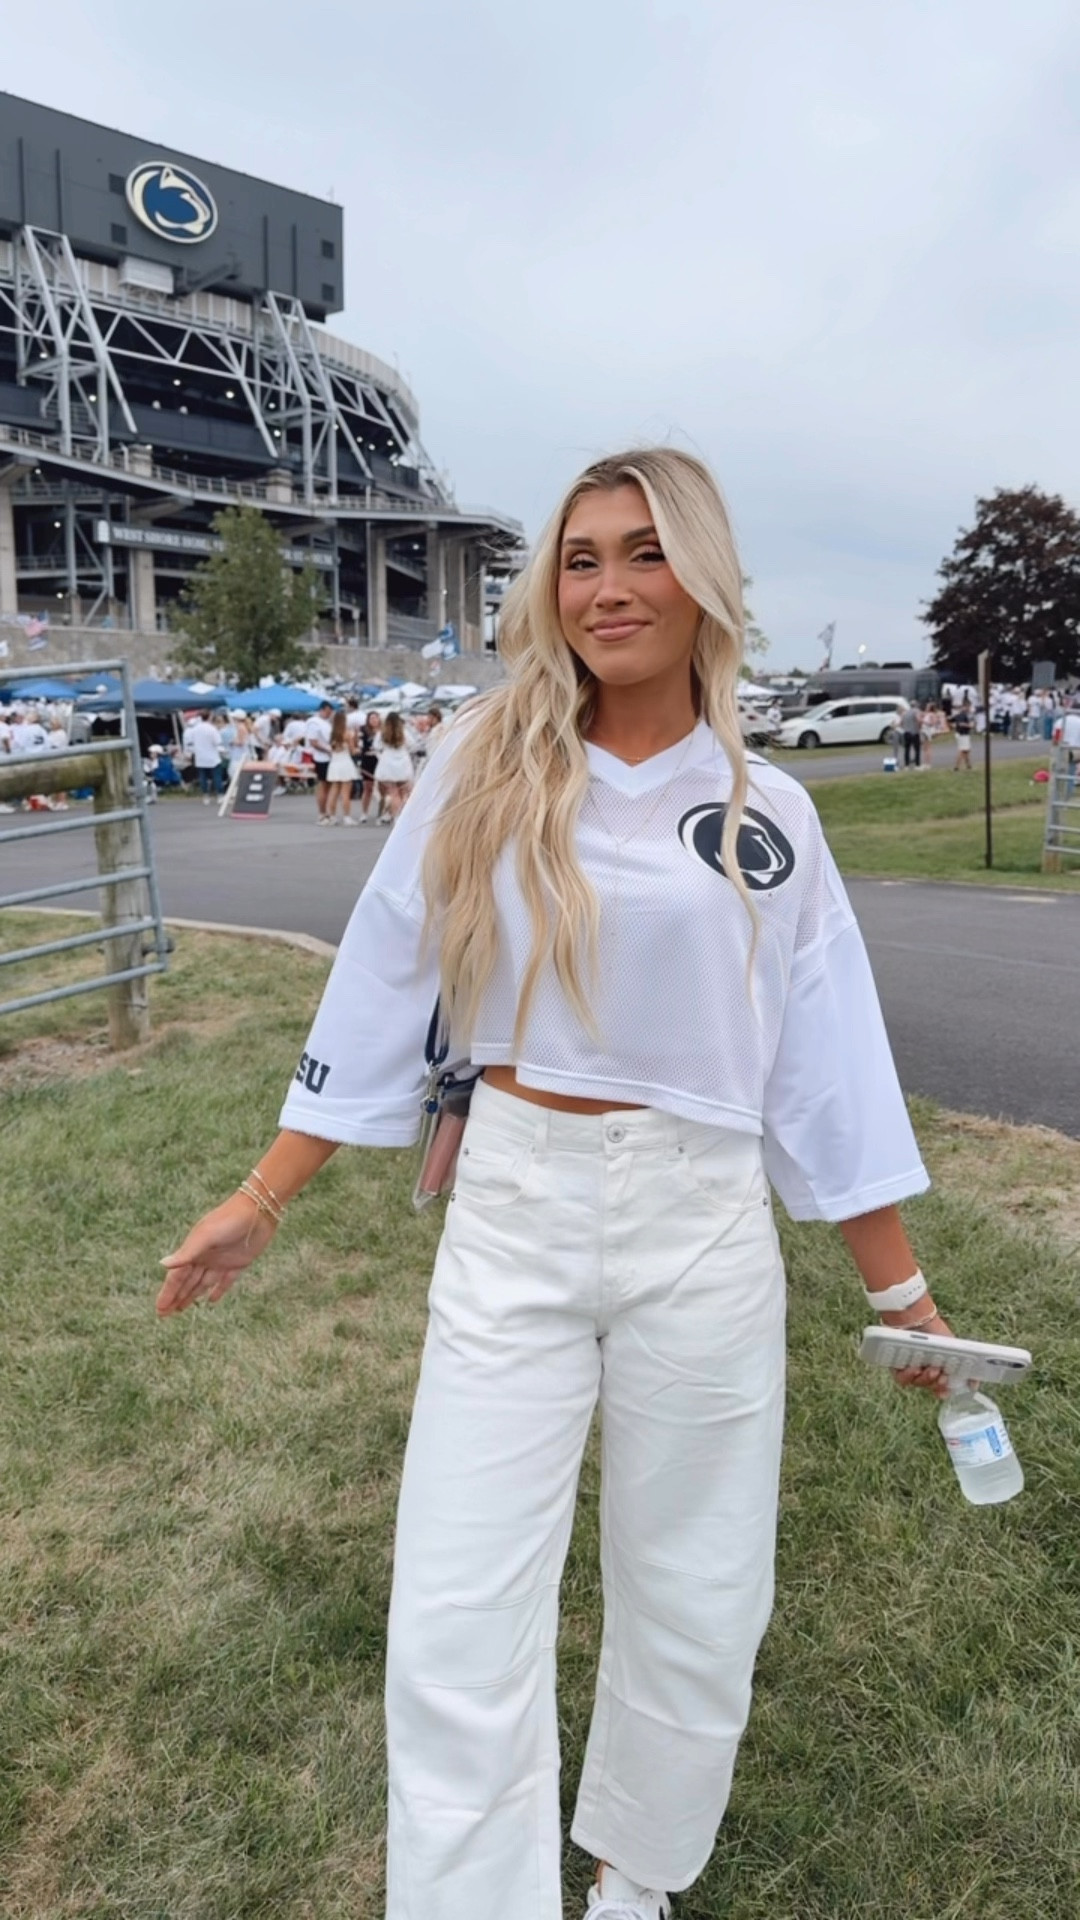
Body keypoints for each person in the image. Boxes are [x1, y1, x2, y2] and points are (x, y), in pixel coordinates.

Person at [158, 448, 957, 1920]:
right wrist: (266, 1194)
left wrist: (897, 1286)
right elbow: (386, 976)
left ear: (702, 577)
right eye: (580, 558)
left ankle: (635, 1873)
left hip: (702, 1220)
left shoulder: (774, 809)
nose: (607, 587)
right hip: (516, 1207)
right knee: (457, 1607)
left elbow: (825, 1061)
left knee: (700, 1586)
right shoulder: (482, 761)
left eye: (643, 552)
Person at [374, 709, 414, 822]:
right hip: (403, 762)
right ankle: (405, 816)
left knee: (393, 793)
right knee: (404, 792)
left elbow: (376, 746)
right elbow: (413, 744)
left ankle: (396, 816)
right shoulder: (404, 732)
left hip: (388, 762)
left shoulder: (382, 733)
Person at [324, 707, 359, 825]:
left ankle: (332, 816)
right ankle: (347, 817)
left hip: (334, 763)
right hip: (345, 762)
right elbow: (353, 751)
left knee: (333, 791)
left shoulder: (332, 734)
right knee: (345, 792)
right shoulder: (347, 734)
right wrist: (357, 749)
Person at [306, 700, 335, 822]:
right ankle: (322, 812)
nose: (329, 714)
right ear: (322, 710)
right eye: (328, 711)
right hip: (321, 758)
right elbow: (313, 742)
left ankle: (327, 810)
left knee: (329, 785)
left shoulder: (326, 723)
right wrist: (327, 750)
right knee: (323, 785)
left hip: (329, 757)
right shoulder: (314, 723)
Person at [189, 710, 224, 802]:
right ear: (209, 717)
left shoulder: (195, 729)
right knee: (216, 776)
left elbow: (191, 741)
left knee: (203, 777)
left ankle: (205, 795)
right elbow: (218, 742)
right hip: (212, 756)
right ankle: (219, 795)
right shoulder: (212, 729)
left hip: (200, 756)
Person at [952, 698, 974, 771]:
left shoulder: (961, 714)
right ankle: (956, 766)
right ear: (966, 706)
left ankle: (968, 765)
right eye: (969, 706)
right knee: (962, 750)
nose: (970, 708)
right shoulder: (962, 714)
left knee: (966, 750)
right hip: (963, 734)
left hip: (963, 734)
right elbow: (961, 724)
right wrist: (969, 725)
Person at [899, 700, 922, 768]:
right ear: (916, 705)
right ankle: (917, 765)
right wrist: (919, 726)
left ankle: (907, 765)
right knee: (917, 749)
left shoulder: (905, 713)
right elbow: (918, 719)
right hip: (914, 732)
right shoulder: (916, 711)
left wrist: (905, 727)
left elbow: (901, 723)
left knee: (907, 749)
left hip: (906, 732)